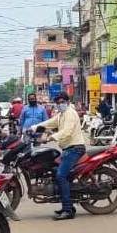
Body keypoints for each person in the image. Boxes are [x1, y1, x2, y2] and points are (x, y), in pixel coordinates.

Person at [35, 92, 86, 221]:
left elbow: (67, 132)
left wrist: (50, 137)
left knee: (60, 175)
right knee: (56, 172)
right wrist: (33, 128)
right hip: (68, 149)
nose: (60, 104)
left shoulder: (70, 113)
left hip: (75, 149)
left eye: (62, 102)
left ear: (67, 102)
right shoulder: (62, 115)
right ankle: (66, 206)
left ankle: (68, 210)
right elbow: (50, 123)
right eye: (57, 103)